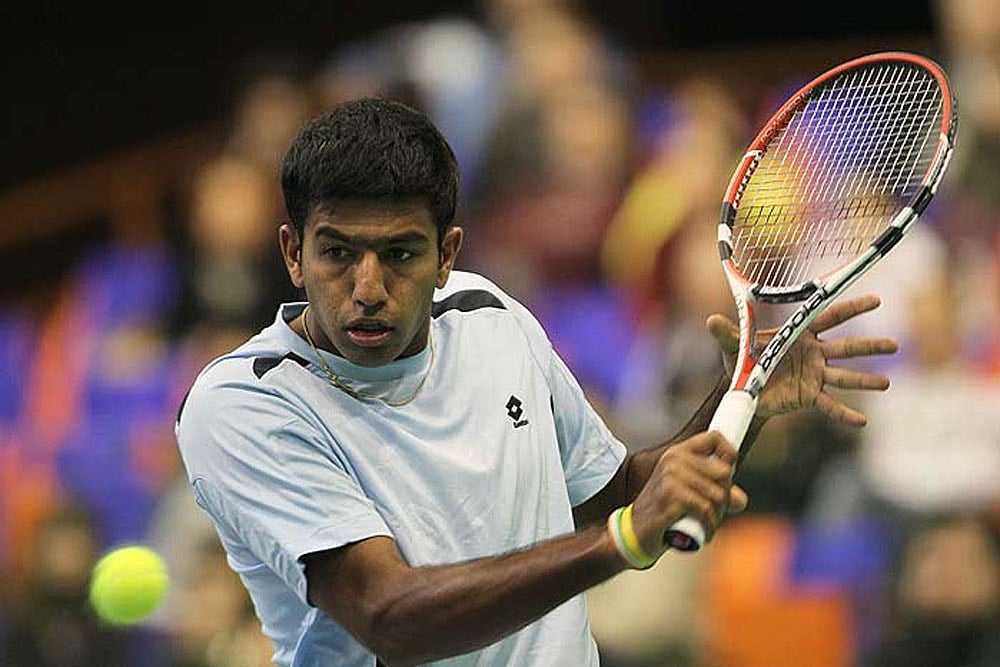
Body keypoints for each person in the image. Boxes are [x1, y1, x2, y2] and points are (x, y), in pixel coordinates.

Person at [174, 97, 898, 667]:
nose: (367, 288)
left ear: (447, 254)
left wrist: (743, 397)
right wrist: (623, 539)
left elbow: (613, 493)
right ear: (293, 253)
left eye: (400, 254)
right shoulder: (245, 402)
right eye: (338, 253)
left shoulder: (492, 317)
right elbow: (388, 615)